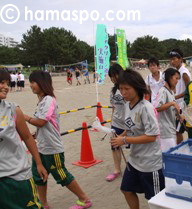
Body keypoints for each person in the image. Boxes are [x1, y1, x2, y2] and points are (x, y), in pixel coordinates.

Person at [24, 70, 92, 209]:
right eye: (30, 82)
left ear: (42, 83)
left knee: (61, 175)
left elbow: (42, 121)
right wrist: (36, 134)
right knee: (39, 176)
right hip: (41, 147)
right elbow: (44, 125)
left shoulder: (49, 100)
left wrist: (23, 117)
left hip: (52, 149)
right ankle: (44, 204)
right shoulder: (41, 101)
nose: (30, 85)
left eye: (33, 82)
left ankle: (84, 199)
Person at [111, 69, 165, 209]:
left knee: (155, 200)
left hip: (150, 163)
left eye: (127, 89)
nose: (123, 93)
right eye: (121, 89)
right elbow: (131, 127)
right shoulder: (128, 105)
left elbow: (152, 136)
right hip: (135, 160)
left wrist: (124, 141)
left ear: (137, 87)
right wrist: (122, 135)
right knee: (126, 189)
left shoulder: (146, 108)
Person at [0, 69, 48, 209]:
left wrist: (38, 163)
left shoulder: (13, 110)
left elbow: (27, 137)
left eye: (7, 83)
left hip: (17, 176)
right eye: (1, 82)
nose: (6, 87)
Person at [106, 64, 127, 182]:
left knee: (133, 146)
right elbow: (113, 107)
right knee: (115, 147)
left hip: (128, 124)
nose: (113, 79)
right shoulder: (113, 91)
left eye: (114, 75)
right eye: (111, 77)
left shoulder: (128, 88)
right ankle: (117, 170)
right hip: (116, 123)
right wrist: (112, 121)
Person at [169, 48, 191, 144]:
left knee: (178, 131)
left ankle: (178, 150)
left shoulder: (184, 72)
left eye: (174, 59)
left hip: (183, 105)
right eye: (171, 59)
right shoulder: (177, 72)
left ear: (181, 59)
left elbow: (189, 90)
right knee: (180, 130)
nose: (172, 61)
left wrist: (175, 97)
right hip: (178, 105)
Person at [155, 68, 181, 151]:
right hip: (165, 131)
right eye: (176, 78)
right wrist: (172, 103)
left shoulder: (171, 92)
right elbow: (157, 108)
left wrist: (179, 115)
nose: (177, 81)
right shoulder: (163, 91)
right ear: (169, 78)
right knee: (168, 155)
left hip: (171, 129)